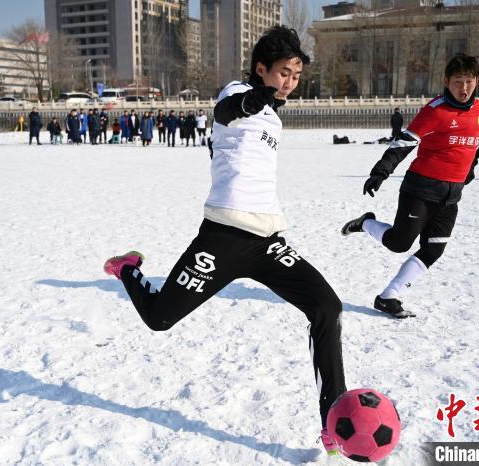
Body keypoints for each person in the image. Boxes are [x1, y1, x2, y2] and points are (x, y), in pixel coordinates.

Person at [103, 25, 346, 456]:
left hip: (268, 242)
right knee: (160, 319)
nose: (289, 82)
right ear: (260, 69)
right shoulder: (237, 94)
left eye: (296, 75)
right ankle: (128, 269)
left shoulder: (275, 115)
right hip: (223, 239)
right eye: (283, 73)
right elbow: (229, 111)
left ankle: (334, 422)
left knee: (327, 306)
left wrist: (266, 102)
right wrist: (254, 98)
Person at [341, 53, 479, 319]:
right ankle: (365, 223)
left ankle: (388, 297)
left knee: (433, 249)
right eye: (457, 81)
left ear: (476, 81)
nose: (463, 88)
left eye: (468, 81)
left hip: (451, 196)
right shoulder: (435, 111)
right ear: (447, 81)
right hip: (420, 189)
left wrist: (470, 170)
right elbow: (405, 142)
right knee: (399, 244)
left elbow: (471, 145)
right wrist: (380, 172)